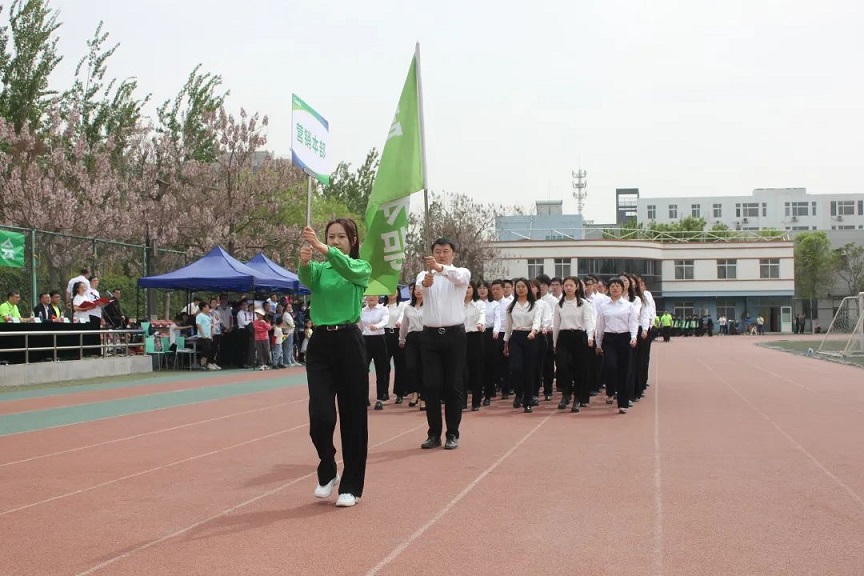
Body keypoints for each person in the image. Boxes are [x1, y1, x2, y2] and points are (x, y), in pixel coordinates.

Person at [298, 219, 371, 508]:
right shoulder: (322, 270)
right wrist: (305, 261)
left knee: (353, 417)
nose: (336, 241)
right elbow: (307, 278)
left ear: (353, 241)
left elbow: (344, 265)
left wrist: (321, 247)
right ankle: (328, 468)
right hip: (320, 344)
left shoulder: (359, 268)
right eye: (331, 236)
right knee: (321, 416)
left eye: (341, 237)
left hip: (349, 342)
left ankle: (351, 486)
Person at [415, 237, 471, 450]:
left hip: (454, 335)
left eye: (445, 251)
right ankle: (433, 434)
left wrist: (440, 269)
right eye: (437, 251)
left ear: (452, 254)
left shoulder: (461, 273)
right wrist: (426, 283)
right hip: (429, 336)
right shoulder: (424, 275)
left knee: (453, 386)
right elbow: (421, 288)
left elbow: (458, 278)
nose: (441, 254)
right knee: (431, 386)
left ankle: (452, 433)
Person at [595, 278, 638, 414]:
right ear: (608, 289)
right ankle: (610, 390)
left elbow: (633, 322)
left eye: (617, 286)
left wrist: (633, 337)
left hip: (625, 338)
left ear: (622, 288)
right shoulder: (604, 306)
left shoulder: (628, 306)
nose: (615, 288)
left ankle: (623, 402)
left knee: (624, 371)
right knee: (611, 366)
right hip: (609, 339)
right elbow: (600, 325)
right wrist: (598, 343)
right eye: (612, 286)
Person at [553, 276, 595, 412]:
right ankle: (566, 393)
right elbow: (556, 324)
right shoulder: (559, 304)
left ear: (577, 287)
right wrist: (554, 342)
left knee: (579, 369)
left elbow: (588, 321)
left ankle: (577, 397)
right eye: (566, 285)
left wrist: (590, 336)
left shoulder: (583, 304)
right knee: (562, 366)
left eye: (571, 285)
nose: (569, 288)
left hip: (579, 337)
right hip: (564, 337)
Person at [503, 278, 542, 413]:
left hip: (531, 337)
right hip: (516, 338)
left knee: (529, 370)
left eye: (523, 286)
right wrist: (506, 343)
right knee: (516, 368)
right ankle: (519, 393)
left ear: (528, 288)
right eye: (518, 287)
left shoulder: (535, 305)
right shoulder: (511, 306)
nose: (520, 289)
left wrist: (534, 331)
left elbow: (537, 321)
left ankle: (528, 401)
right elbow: (508, 327)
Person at [359, 295, 390, 410]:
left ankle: (380, 398)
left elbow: (385, 321)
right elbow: (360, 326)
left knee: (381, 369)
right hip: (365, 340)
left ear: (378, 297)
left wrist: (376, 326)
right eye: (369, 295)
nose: (371, 298)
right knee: (363, 369)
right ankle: (364, 397)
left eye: (374, 295)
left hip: (379, 339)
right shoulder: (362, 310)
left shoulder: (383, 309)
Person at [399, 282, 425, 409]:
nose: (418, 291)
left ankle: (424, 397)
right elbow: (404, 325)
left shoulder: (429, 306)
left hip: (426, 337)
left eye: (420, 288)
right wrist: (401, 338)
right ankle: (414, 393)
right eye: (415, 289)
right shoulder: (408, 308)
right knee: (411, 366)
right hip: (411, 338)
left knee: (424, 368)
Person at [462, 280, 486, 411]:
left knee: (476, 369)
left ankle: (476, 402)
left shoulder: (480, 304)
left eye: (469, 287)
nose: (467, 290)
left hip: (476, 336)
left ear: (473, 289)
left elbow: (482, 316)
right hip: (461, 337)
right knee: (462, 370)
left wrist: (480, 324)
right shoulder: (457, 304)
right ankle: (462, 401)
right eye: (464, 287)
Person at [384, 290, 407, 404]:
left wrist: (399, 322)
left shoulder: (402, 305)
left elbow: (403, 316)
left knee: (400, 364)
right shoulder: (382, 307)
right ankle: (383, 392)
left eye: (394, 290)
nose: (392, 292)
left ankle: (399, 393)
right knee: (384, 365)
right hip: (384, 334)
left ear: (398, 293)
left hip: (398, 334)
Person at [196, 301, 219, 370]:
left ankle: (205, 364)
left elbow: (210, 326)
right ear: (203, 308)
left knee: (208, 350)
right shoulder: (200, 315)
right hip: (203, 336)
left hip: (208, 336)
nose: (209, 308)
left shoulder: (207, 316)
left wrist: (211, 335)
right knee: (205, 350)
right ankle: (202, 364)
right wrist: (202, 334)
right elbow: (198, 325)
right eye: (207, 307)